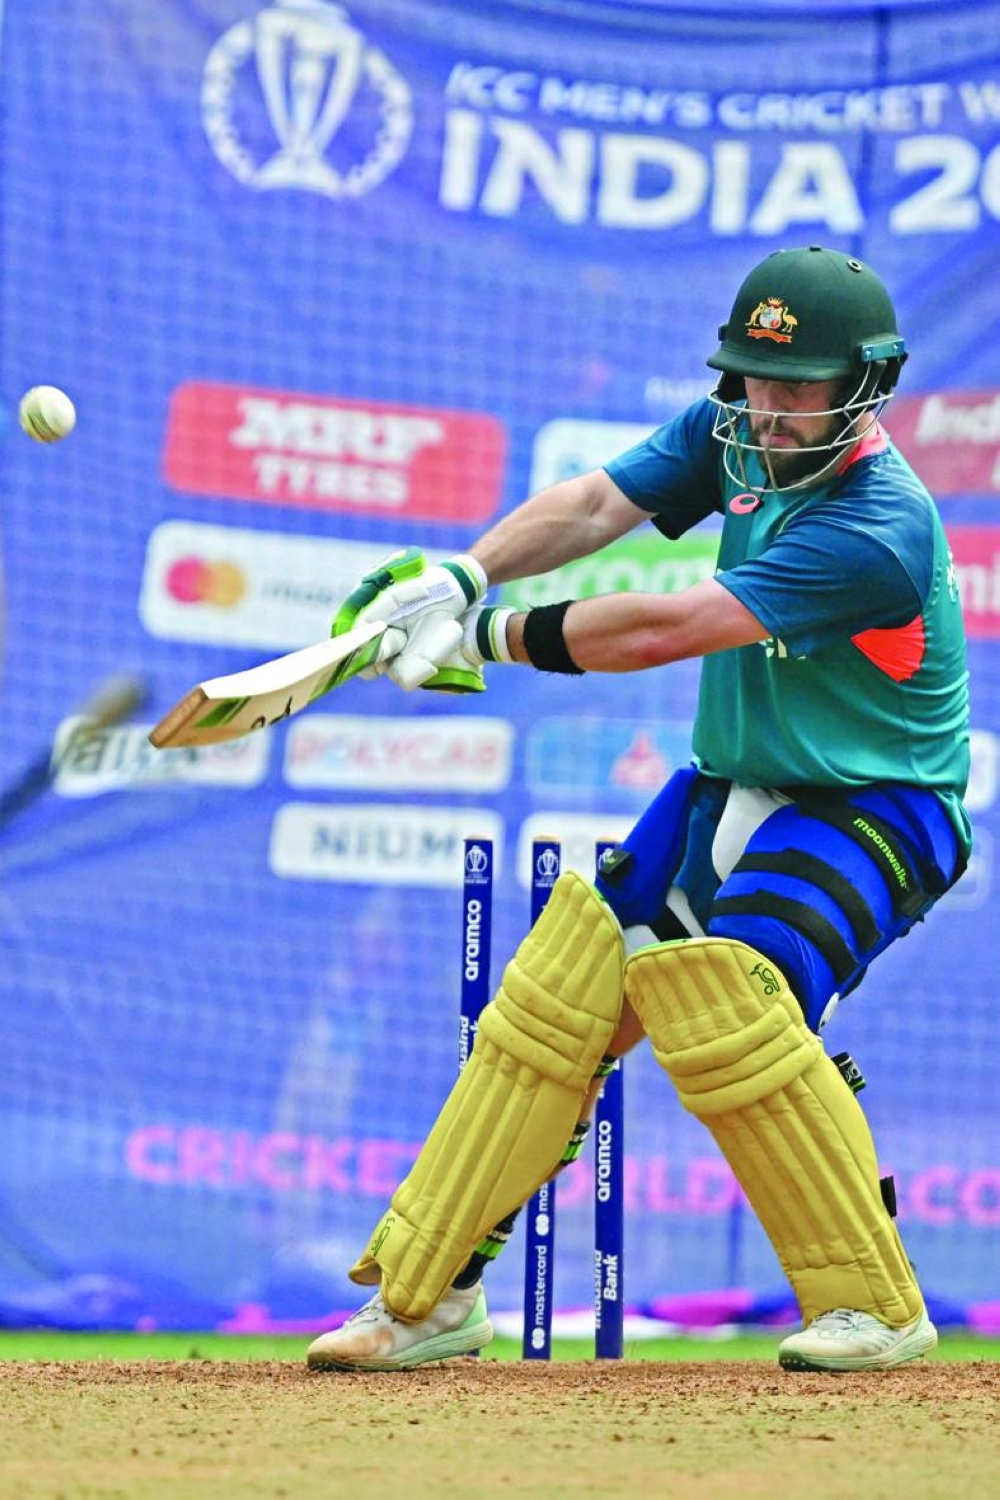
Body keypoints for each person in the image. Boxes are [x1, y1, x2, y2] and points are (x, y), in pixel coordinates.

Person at [305, 245, 970, 1374]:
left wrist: (478, 641)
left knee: (732, 992)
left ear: (864, 385)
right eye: (752, 380)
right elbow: (597, 500)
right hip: (731, 780)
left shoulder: (875, 525)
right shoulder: (739, 437)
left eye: (797, 384)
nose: (767, 408)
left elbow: (664, 630)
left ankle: (875, 1306)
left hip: (879, 802)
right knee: (558, 999)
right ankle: (428, 1302)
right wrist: (462, 577)